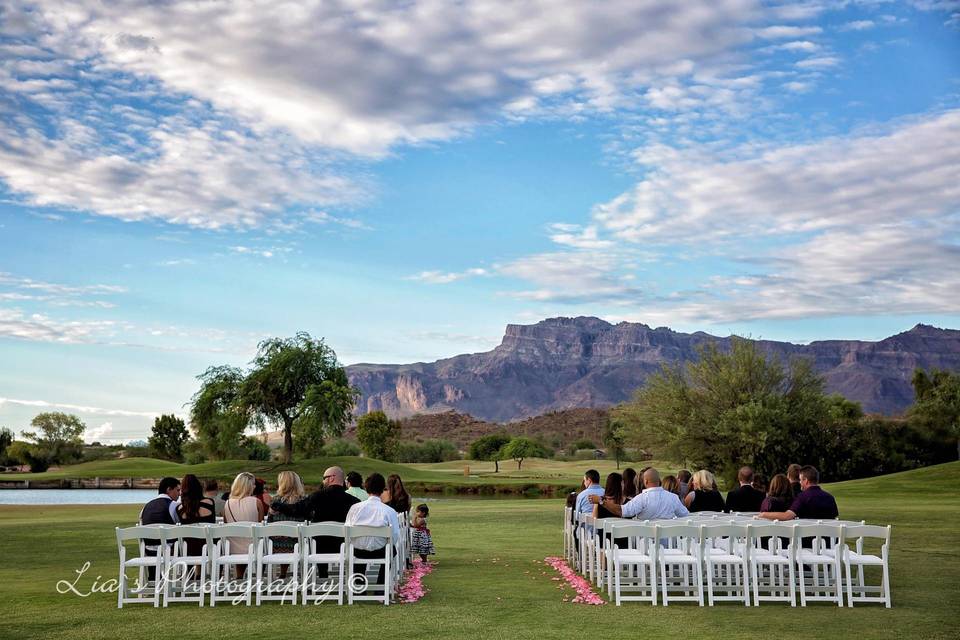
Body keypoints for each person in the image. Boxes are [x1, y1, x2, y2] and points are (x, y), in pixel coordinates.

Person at [345, 473, 401, 585]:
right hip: (381, 551)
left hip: (358, 551)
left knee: (356, 545)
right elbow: (394, 535)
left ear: (366, 488)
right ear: (382, 490)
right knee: (392, 550)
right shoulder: (389, 511)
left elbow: (347, 530)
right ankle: (380, 587)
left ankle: (359, 586)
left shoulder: (355, 508)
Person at [590, 468, 689, 520]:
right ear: (659, 481)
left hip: (645, 545)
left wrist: (601, 501)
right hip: (669, 545)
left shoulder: (641, 499)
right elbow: (685, 515)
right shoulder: (673, 498)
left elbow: (622, 511)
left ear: (645, 482)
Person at [223, 472, 266, 577]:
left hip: (233, 547)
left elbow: (225, 524)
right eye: (253, 484)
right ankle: (258, 576)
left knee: (239, 540)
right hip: (254, 547)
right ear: (249, 486)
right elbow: (260, 525)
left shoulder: (227, 503)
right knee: (260, 542)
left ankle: (239, 576)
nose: (255, 486)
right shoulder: (256, 502)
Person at [758, 465, 838, 521]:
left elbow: (787, 516)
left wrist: (764, 514)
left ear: (806, 480)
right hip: (829, 542)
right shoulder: (830, 497)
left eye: (800, 480)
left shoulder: (802, 497)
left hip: (807, 541)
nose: (799, 482)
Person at [139, 477, 181, 580]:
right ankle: (189, 577)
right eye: (177, 490)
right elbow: (180, 525)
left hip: (148, 549)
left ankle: (154, 577)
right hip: (168, 549)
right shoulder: (173, 505)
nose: (179, 494)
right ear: (168, 490)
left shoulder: (146, 506)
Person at [267, 471, 307, 557]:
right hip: (299, 544)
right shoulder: (304, 500)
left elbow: (269, 522)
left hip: (276, 544)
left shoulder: (275, 501)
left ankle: (283, 570)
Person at [176, 474, 215, 555]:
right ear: (199, 487)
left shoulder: (180, 508)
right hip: (208, 548)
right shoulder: (210, 502)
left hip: (188, 549)